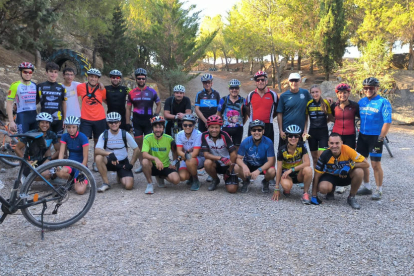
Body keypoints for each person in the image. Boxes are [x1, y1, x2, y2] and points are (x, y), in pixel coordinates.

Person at [311, 133, 369, 209]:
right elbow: (316, 176)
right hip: (330, 176)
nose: (334, 146)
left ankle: (351, 197)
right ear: (328, 143)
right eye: (332, 143)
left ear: (341, 143)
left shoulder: (348, 150)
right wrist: (314, 196)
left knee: (359, 171)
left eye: (337, 143)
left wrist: (350, 166)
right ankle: (330, 191)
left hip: (345, 176)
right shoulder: (325, 155)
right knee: (323, 188)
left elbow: (366, 164)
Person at [356, 77, 392, 200]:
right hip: (362, 136)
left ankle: (379, 189)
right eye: (365, 88)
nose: (368, 90)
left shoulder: (383, 102)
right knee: (362, 162)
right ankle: (367, 186)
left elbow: (387, 122)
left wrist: (381, 137)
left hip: (375, 137)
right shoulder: (361, 102)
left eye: (371, 88)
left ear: (376, 88)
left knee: (375, 164)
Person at [126, 68, 161, 174]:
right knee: (139, 144)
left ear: (145, 79)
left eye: (143, 78)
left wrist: (156, 115)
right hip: (137, 121)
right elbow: (128, 108)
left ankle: (152, 163)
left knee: (150, 143)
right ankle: (142, 164)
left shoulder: (152, 91)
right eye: (139, 78)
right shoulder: (131, 93)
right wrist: (127, 123)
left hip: (149, 122)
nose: (141, 80)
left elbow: (159, 104)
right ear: (136, 79)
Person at [95, 112, 140, 192]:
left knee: (128, 186)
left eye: (116, 122)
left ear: (119, 123)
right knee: (98, 158)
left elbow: (136, 149)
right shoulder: (104, 134)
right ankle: (106, 183)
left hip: (122, 163)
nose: (113, 124)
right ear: (108, 123)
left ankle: (120, 174)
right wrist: (109, 154)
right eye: (111, 122)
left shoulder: (124, 134)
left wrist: (131, 164)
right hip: (110, 161)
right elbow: (97, 150)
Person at [272, 125, 313, 204]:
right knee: (287, 186)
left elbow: (307, 163)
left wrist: (292, 169)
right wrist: (276, 188)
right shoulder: (282, 150)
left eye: (296, 136)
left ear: (299, 137)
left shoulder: (302, 146)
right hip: (287, 175)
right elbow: (279, 168)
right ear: (287, 137)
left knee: (308, 169)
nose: (293, 138)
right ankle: (287, 189)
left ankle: (305, 193)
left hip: (298, 174)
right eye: (290, 136)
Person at [77, 68, 107, 172]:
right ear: (88, 77)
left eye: (95, 77)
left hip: (100, 118)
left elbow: (106, 100)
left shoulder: (102, 89)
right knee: (84, 141)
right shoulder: (80, 87)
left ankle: (95, 162)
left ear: (98, 79)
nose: (93, 79)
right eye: (91, 76)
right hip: (85, 118)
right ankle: (84, 163)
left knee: (97, 142)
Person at [141, 116, 180, 194]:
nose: (158, 130)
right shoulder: (147, 138)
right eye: (156, 127)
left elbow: (175, 151)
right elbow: (144, 154)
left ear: (163, 128)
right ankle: (150, 184)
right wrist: (155, 158)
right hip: (153, 165)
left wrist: (174, 163)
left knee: (176, 180)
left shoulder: (169, 139)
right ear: (152, 128)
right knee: (145, 161)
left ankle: (161, 176)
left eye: (160, 127)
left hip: (165, 165)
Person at [235, 120, 276, 193]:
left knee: (272, 171)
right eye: (254, 130)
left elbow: (271, 161)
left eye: (259, 130)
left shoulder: (268, 142)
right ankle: (245, 181)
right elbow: (238, 158)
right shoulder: (246, 141)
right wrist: (244, 167)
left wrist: (259, 170)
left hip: (263, 165)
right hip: (249, 164)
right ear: (251, 132)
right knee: (236, 167)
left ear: (263, 131)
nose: (256, 132)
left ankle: (265, 181)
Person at [14, 112, 60, 178]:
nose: (45, 125)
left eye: (47, 123)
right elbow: (17, 148)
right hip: (30, 162)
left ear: (49, 124)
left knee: (62, 159)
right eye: (42, 122)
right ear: (38, 123)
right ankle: (25, 176)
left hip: (41, 161)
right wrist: (26, 161)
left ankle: (53, 178)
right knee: (47, 175)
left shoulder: (52, 135)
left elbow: (58, 150)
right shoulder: (30, 134)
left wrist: (50, 158)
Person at [201, 115, 238, 193]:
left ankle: (230, 175)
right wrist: (220, 158)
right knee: (207, 162)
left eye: (216, 127)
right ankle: (215, 179)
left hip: (228, 164)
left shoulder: (224, 135)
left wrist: (230, 169)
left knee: (232, 190)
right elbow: (206, 154)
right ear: (208, 127)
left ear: (220, 127)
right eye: (212, 127)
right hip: (216, 163)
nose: (214, 130)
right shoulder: (204, 135)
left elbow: (233, 153)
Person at [276, 72, 311, 149]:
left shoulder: (305, 93)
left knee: (300, 154)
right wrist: (281, 130)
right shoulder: (283, 96)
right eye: (292, 81)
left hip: (300, 131)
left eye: (296, 80)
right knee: (283, 153)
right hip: (286, 131)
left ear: (300, 81)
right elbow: (279, 114)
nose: (294, 83)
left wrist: (305, 130)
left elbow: (312, 105)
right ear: (288, 82)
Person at [56, 116, 89, 195]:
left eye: (73, 127)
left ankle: (82, 177)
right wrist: (59, 165)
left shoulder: (83, 137)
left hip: (80, 164)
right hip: (70, 163)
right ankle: (71, 180)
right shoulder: (64, 136)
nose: (71, 130)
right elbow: (61, 152)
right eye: (69, 127)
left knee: (80, 191)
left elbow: (85, 157)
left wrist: (81, 170)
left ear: (77, 127)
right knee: (59, 172)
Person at [245, 71, 278, 143]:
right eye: (258, 80)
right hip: (253, 125)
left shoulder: (273, 95)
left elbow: (277, 109)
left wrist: (270, 117)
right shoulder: (251, 95)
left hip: (268, 126)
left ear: (266, 81)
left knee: (268, 149)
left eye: (262, 80)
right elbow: (246, 108)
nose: (260, 82)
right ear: (255, 82)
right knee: (252, 149)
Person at [305, 84, 334, 167]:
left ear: (320, 92)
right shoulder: (308, 104)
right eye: (313, 92)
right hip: (312, 133)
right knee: (314, 158)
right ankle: (316, 178)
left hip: (323, 133)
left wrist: (325, 122)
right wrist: (305, 131)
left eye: (317, 92)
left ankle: (323, 177)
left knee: (322, 157)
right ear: (310, 94)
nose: (315, 94)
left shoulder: (325, 103)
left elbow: (331, 117)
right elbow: (306, 119)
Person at [175, 114, 205, 191]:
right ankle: (191, 176)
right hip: (187, 158)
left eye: (190, 125)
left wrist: (183, 156)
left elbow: (195, 154)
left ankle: (196, 180)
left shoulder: (198, 134)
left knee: (190, 161)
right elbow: (179, 151)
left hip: (199, 158)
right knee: (182, 177)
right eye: (185, 125)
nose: (187, 127)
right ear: (182, 125)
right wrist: (184, 155)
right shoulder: (179, 134)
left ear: (194, 125)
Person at [36, 62, 67, 134]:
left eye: (55, 72)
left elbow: (64, 103)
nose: (53, 74)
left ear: (57, 73)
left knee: (58, 142)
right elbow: (35, 102)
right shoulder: (40, 86)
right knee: (45, 142)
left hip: (58, 119)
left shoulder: (62, 87)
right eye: (51, 72)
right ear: (46, 72)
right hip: (44, 119)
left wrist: (64, 119)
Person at [7, 62, 37, 133]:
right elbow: (9, 103)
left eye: (30, 72)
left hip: (34, 116)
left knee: (35, 142)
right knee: (22, 141)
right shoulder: (15, 85)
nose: (27, 74)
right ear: (21, 72)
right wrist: (11, 121)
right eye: (25, 72)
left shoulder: (35, 85)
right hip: (22, 116)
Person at [217, 79, 247, 149]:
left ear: (239, 89)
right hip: (226, 128)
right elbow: (218, 113)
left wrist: (240, 123)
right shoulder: (223, 100)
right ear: (229, 89)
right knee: (225, 148)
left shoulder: (243, 100)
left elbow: (246, 115)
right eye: (232, 88)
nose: (234, 90)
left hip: (238, 129)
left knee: (236, 148)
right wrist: (222, 124)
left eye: (236, 88)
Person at [330, 83, 359, 148]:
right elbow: (330, 117)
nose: (342, 95)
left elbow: (362, 118)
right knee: (335, 156)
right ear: (337, 94)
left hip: (350, 136)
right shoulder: (334, 106)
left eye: (345, 92)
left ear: (348, 93)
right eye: (340, 93)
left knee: (349, 156)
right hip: (336, 135)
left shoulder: (354, 106)